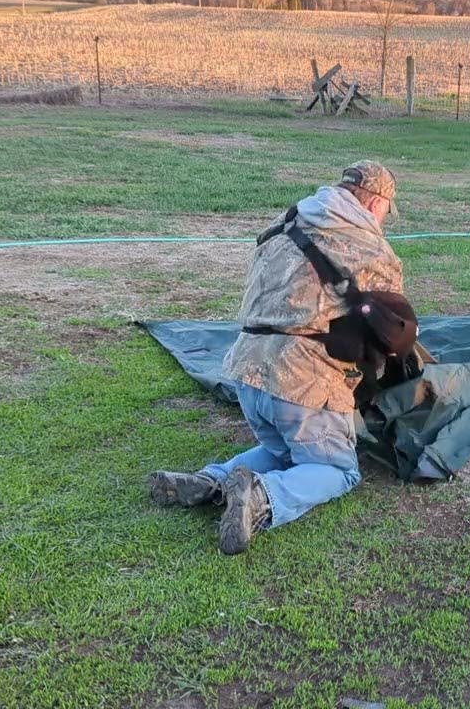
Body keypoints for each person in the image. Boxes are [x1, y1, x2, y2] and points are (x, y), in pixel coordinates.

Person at [148, 160, 405, 554]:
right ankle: (263, 497)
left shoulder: (285, 222)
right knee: (337, 469)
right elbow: (394, 324)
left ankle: (212, 480)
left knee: (283, 451)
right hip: (300, 383)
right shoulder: (369, 247)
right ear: (375, 205)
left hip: (245, 370)